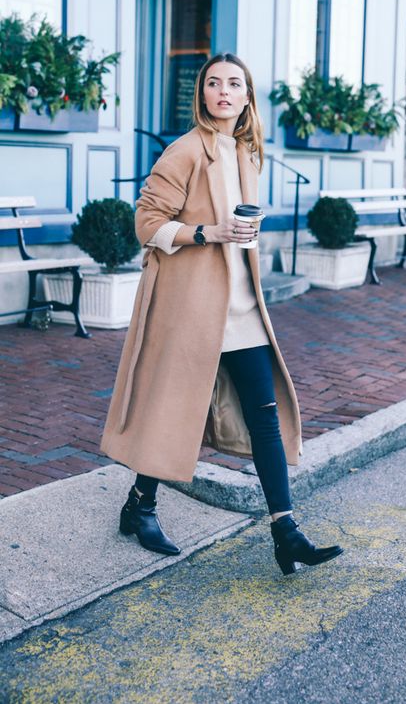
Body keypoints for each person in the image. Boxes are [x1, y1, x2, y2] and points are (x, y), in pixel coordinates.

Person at [100, 52, 343, 575]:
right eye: (214, 83)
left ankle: (285, 531)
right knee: (173, 410)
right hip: (192, 308)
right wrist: (208, 232)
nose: (224, 92)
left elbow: (239, 228)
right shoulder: (185, 150)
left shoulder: (246, 153)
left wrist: (244, 234)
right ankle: (140, 506)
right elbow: (146, 223)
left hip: (242, 307)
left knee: (265, 414)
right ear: (203, 94)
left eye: (234, 83)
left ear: (247, 96)